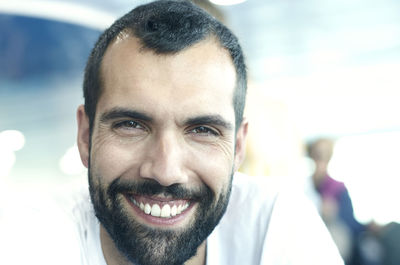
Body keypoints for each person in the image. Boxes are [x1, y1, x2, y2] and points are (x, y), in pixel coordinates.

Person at [41, 1, 342, 265]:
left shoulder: (277, 223)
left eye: (202, 130)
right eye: (131, 125)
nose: (166, 172)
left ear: (239, 147)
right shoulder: (29, 236)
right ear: (84, 135)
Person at [306, 138, 364, 264]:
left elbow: (352, 224)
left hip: (335, 245)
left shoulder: (339, 189)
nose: (321, 159)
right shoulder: (304, 186)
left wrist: (335, 213)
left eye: (325, 155)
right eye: (318, 154)